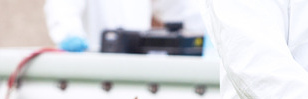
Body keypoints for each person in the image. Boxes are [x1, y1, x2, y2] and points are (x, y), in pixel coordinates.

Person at [44, 0, 205, 52]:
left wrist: (210, 32)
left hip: (135, 71)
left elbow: (183, 10)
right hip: (92, 74)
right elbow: (62, 9)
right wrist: (69, 34)